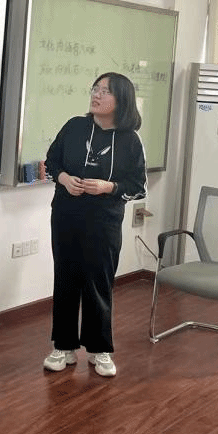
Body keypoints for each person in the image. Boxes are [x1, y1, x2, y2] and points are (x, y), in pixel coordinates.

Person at [42, 72, 147, 377]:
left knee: (98, 282)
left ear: (121, 100)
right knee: (65, 279)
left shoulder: (130, 140)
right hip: (66, 215)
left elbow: (138, 186)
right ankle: (63, 346)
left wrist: (108, 187)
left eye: (105, 91)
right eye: (95, 89)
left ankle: (99, 349)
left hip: (104, 221)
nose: (97, 95)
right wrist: (64, 179)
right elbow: (52, 162)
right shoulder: (75, 126)